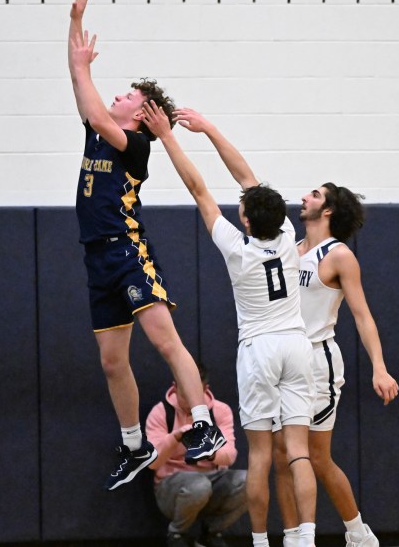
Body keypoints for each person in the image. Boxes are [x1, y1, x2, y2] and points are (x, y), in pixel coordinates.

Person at [67, 0, 226, 491]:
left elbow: (93, 106)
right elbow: (80, 81)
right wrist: (74, 25)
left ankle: (203, 424)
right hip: (97, 261)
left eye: (128, 96)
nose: (117, 95)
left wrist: (86, 69)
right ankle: (135, 445)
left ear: (141, 115)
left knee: (164, 341)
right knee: (113, 362)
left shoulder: (134, 145)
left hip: (127, 253)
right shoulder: (99, 131)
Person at [142, 102, 317, 547]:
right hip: (298, 346)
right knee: (298, 450)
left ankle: (260, 541)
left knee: (260, 454)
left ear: (245, 219)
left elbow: (199, 189)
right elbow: (248, 178)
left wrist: (170, 135)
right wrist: (211, 129)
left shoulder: (238, 249)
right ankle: (306, 538)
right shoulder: (284, 237)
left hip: (259, 349)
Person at [272, 184, 399, 547]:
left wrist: (379, 366)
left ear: (328, 210)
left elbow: (362, 316)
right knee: (281, 455)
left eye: (314, 194)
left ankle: (358, 533)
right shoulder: (291, 249)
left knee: (317, 456)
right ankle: (293, 537)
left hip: (317, 361)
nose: (304, 198)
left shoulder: (339, 256)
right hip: (283, 359)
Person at [146, 362, 248, 547]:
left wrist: (209, 451)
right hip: (171, 487)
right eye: (185, 393)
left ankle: (210, 534)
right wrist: (175, 438)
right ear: (175, 387)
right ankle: (176, 534)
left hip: (213, 480)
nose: (190, 400)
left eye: (196, 393)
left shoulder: (220, 410)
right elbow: (152, 463)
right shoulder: (160, 412)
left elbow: (229, 455)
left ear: (205, 389)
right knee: (199, 485)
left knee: (252, 482)